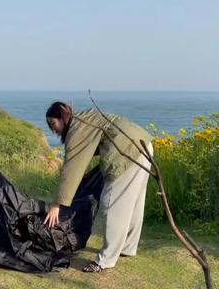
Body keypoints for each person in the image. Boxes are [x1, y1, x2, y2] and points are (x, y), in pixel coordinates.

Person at [43, 101, 154, 273]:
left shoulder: (77, 128)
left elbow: (72, 167)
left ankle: (105, 260)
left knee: (112, 204)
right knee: (134, 203)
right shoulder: (85, 118)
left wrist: (57, 204)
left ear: (63, 116)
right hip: (144, 145)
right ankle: (127, 247)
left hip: (127, 151)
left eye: (53, 123)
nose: (53, 130)